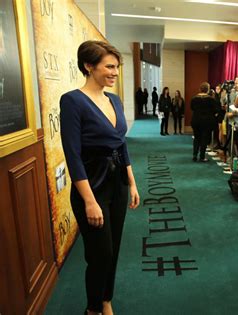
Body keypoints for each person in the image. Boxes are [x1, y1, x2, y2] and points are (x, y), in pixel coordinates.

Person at [60, 40, 140, 315]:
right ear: (88, 66)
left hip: (117, 183)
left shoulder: (114, 100)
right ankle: (93, 308)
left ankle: (106, 299)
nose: (115, 72)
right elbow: (73, 156)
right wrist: (90, 202)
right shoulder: (72, 101)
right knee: (100, 253)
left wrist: (131, 181)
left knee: (114, 248)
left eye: (117, 67)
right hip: (91, 187)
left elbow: (121, 144)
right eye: (109, 66)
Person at [191, 82, 218, 161]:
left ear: (200, 89)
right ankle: (202, 156)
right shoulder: (211, 99)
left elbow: (192, 108)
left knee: (196, 138)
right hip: (207, 121)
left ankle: (195, 155)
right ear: (208, 90)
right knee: (204, 139)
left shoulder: (194, 98)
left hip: (196, 120)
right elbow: (215, 110)